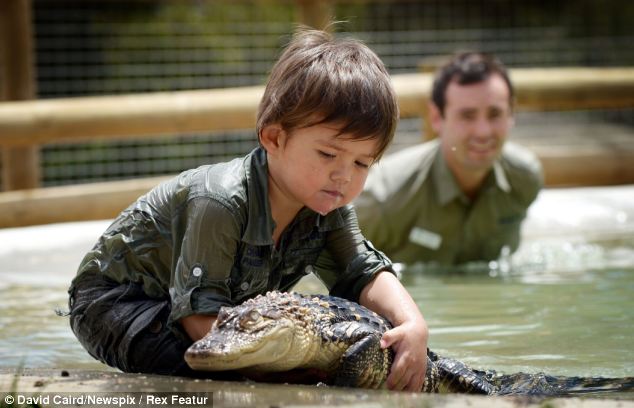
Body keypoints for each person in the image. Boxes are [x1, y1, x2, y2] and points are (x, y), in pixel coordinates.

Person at [67, 29, 428, 392]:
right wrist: (276, 371)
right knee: (217, 373)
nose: (344, 175)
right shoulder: (220, 201)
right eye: (328, 154)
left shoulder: (328, 207)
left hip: (204, 313)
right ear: (274, 138)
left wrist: (413, 324)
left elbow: (363, 274)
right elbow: (199, 316)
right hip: (119, 303)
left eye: (362, 163)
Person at [355, 51, 543, 266]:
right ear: (437, 118)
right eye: (467, 116)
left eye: (495, 114)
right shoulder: (384, 198)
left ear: (511, 115)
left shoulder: (524, 179)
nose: (483, 131)